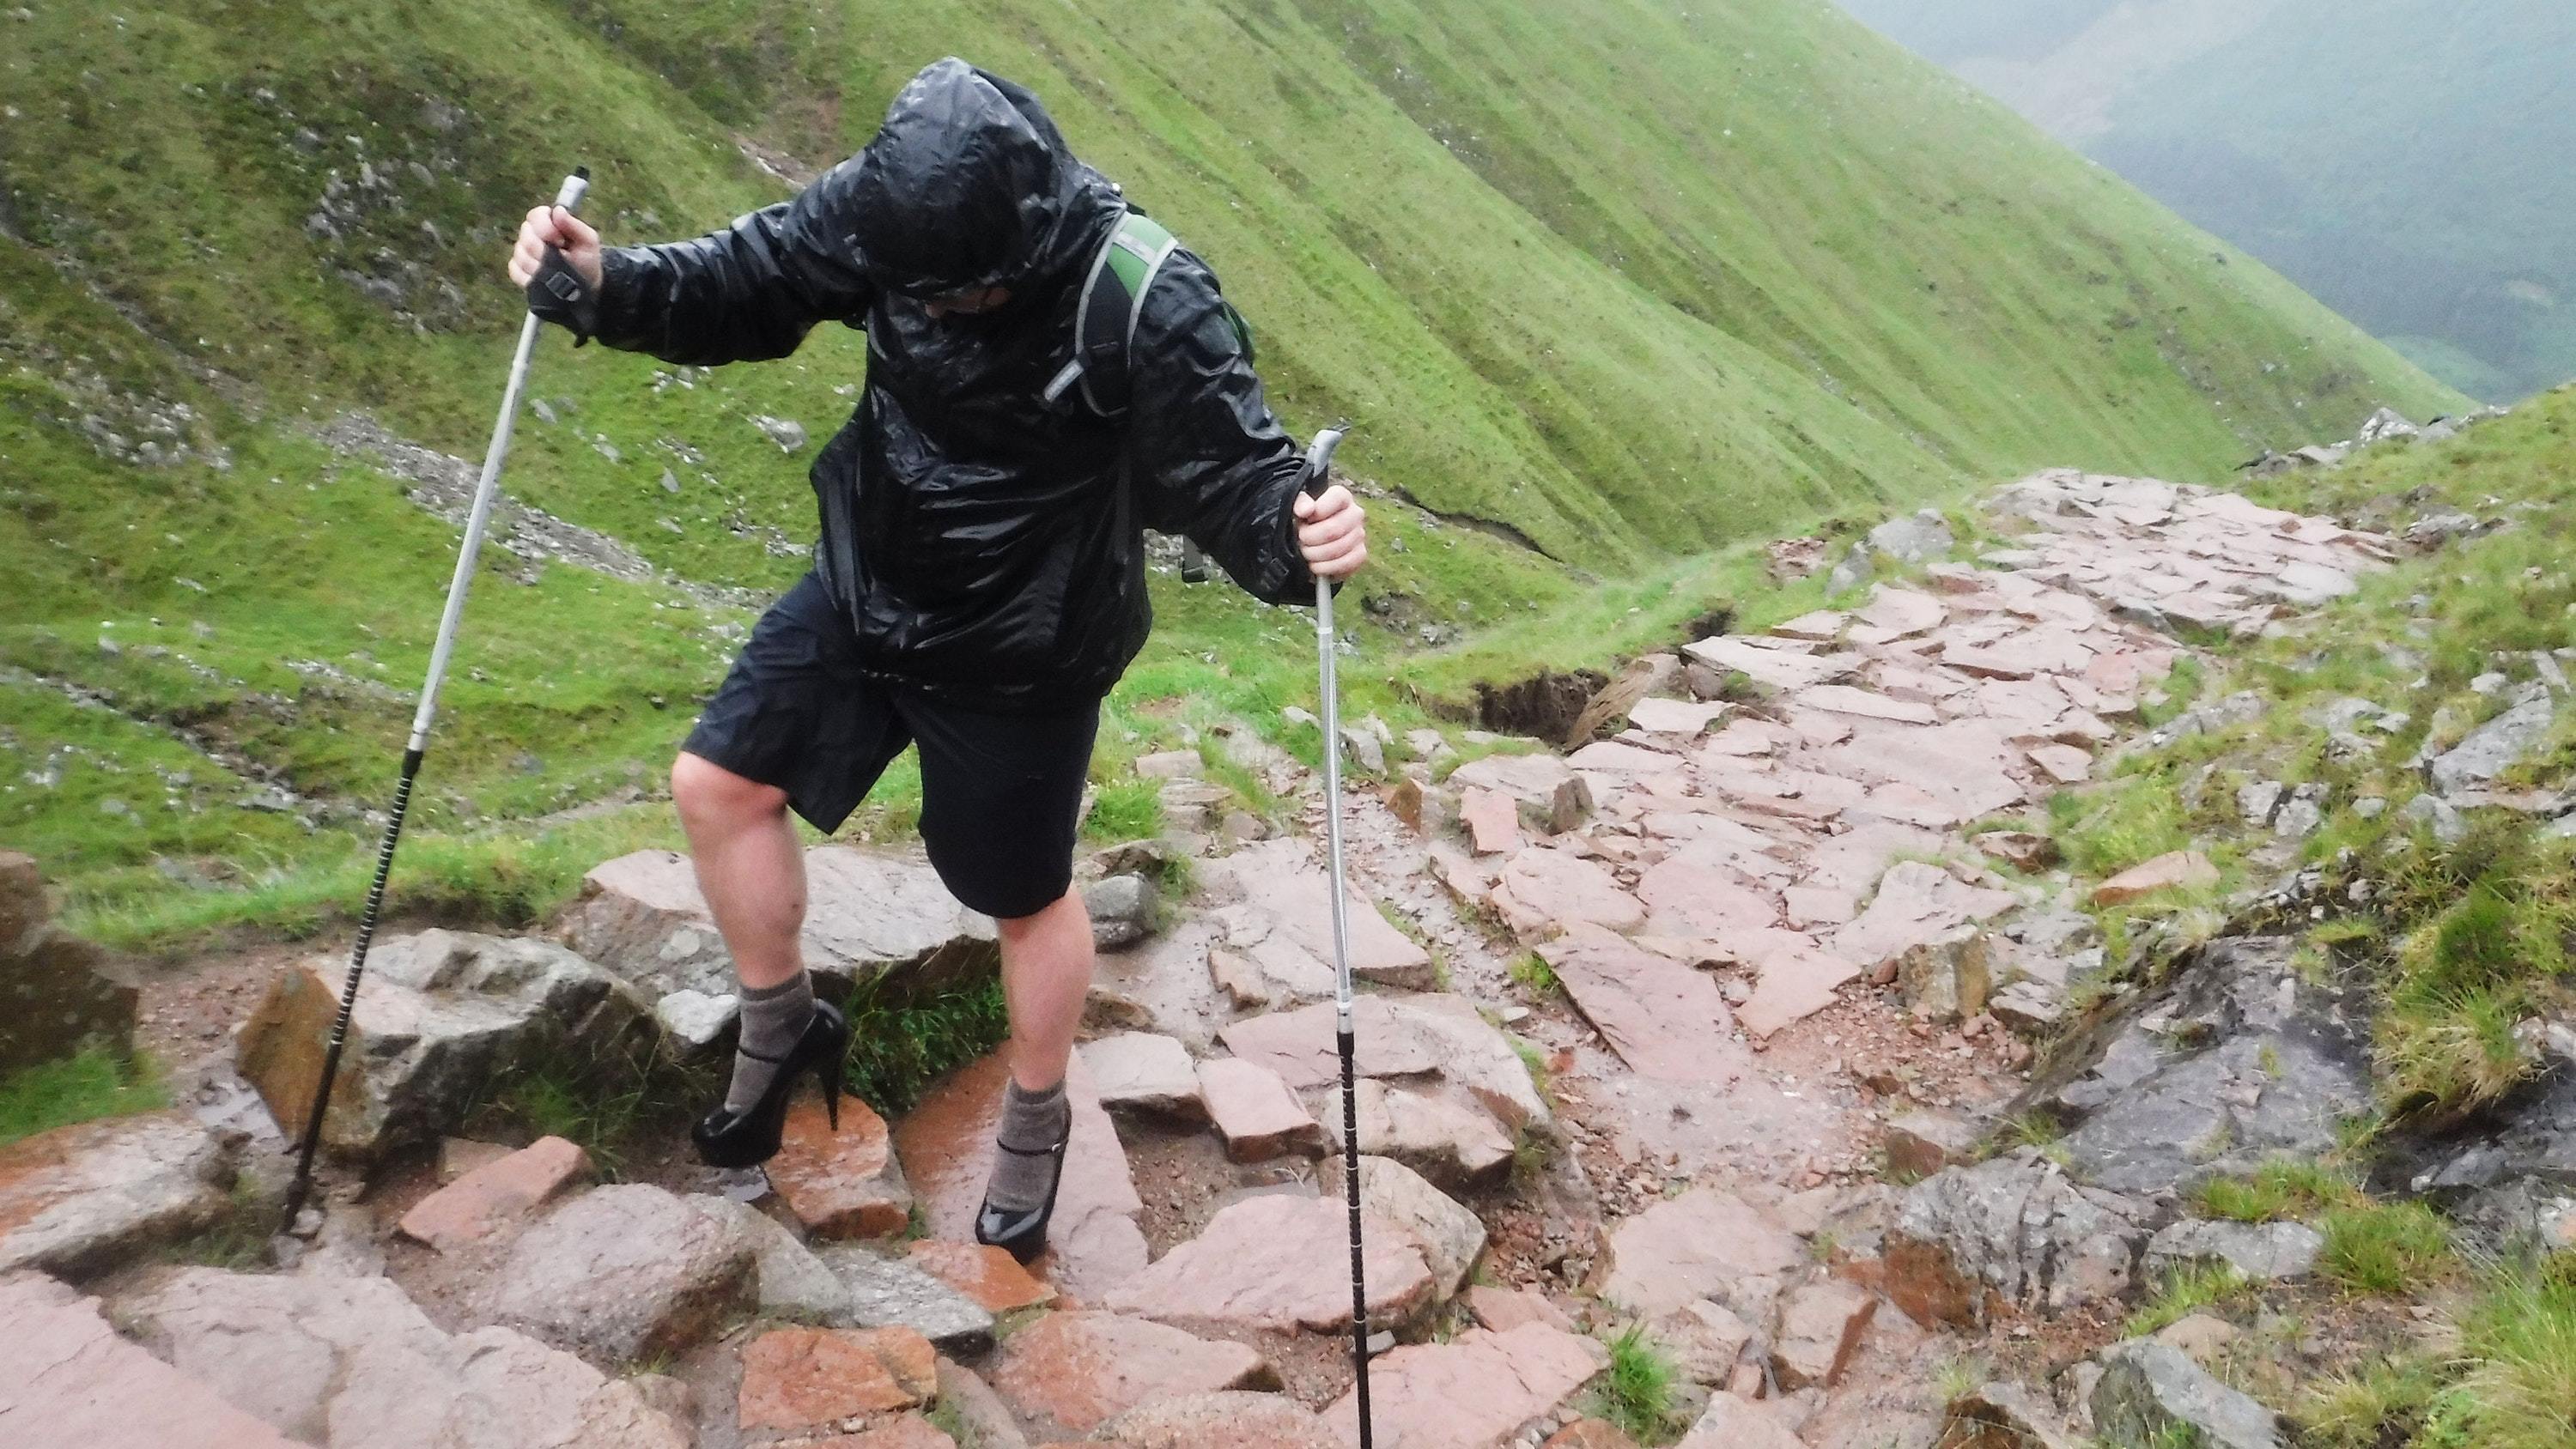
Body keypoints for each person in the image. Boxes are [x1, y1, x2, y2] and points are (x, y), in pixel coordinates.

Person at [506, 58, 1364, 1263]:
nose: (942, 307)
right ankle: (784, 1021)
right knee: (717, 786)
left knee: (1019, 897)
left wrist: (1299, 531)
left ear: (1023, 240)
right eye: (924, 292)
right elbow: (744, 284)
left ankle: (1036, 1104)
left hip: (1030, 642)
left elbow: (1237, 476)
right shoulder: (886, 210)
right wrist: (598, 285)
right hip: (874, 578)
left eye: (969, 292)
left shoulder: (1145, 293)